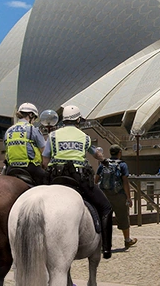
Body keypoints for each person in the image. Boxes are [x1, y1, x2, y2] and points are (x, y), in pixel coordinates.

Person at [41, 105, 114, 259]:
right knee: (106, 207)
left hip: (56, 178)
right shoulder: (84, 137)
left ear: (63, 120)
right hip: (79, 179)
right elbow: (96, 154)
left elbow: (45, 159)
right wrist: (104, 160)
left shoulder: (52, 136)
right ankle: (106, 248)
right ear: (78, 120)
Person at [95, 144, 137, 250]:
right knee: (123, 217)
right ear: (119, 153)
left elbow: (97, 178)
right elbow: (125, 181)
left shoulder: (103, 164)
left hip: (104, 195)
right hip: (118, 195)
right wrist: (128, 197)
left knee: (104, 218)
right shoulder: (122, 164)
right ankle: (127, 240)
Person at [4, 102, 47, 186]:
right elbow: (44, 152)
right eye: (34, 118)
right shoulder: (33, 129)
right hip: (31, 168)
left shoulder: (8, 131)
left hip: (11, 168)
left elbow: (6, 148)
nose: (34, 121)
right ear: (31, 115)